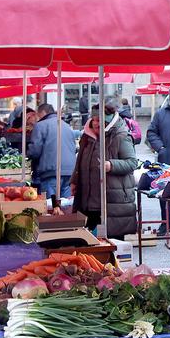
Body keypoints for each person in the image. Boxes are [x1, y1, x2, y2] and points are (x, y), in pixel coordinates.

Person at [70, 98, 138, 238]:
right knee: (89, 242)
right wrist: (74, 180)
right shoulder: (87, 137)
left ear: (108, 121)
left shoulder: (121, 136)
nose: (95, 123)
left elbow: (132, 162)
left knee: (110, 244)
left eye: (99, 120)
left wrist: (111, 165)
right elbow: (80, 161)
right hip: (88, 200)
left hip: (111, 200)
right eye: (93, 119)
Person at [28, 102, 78, 201]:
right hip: (69, 172)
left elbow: (35, 151)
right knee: (66, 204)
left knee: (51, 205)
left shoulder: (40, 126)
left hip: (51, 171)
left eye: (37, 114)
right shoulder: (65, 125)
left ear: (42, 112)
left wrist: (28, 153)